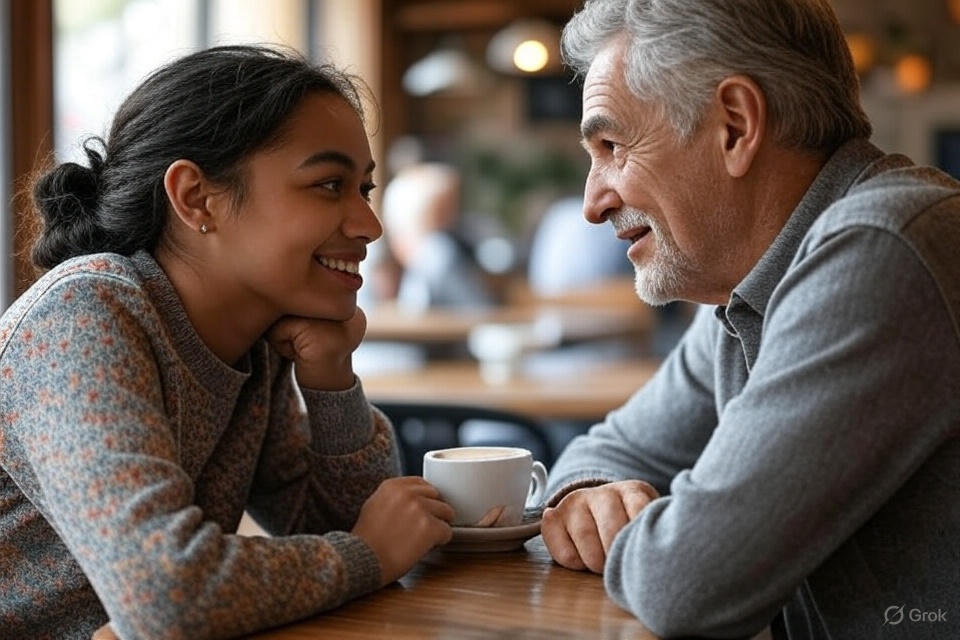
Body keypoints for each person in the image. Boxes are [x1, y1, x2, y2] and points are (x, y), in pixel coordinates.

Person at [0, 46, 454, 640]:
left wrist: (331, 376)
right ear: (195, 198)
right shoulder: (84, 313)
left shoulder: (255, 338)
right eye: (328, 185)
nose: (369, 225)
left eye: (363, 189)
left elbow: (354, 522)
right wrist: (366, 555)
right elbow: (168, 593)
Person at [540, 1, 960, 639]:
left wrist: (646, 535)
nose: (593, 203)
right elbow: (612, 448)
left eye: (612, 145)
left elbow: (687, 582)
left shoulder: (881, 249)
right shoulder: (753, 283)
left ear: (735, 125)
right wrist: (589, 494)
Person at [380, 162, 494, 311]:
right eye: (446, 211)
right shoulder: (438, 251)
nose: (454, 219)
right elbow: (479, 310)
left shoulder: (445, 250)